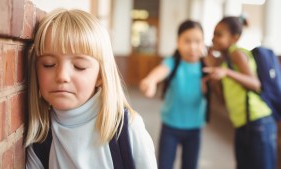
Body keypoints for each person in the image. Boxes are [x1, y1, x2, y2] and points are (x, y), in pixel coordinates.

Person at [24, 8, 157, 169]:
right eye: (48, 64)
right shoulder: (40, 140)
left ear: (100, 75)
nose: (62, 76)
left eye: (79, 66)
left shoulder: (127, 130)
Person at [204, 16, 277, 169]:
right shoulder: (223, 61)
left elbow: (255, 84)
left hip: (258, 122)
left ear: (234, 38)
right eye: (213, 34)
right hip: (241, 124)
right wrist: (214, 78)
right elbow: (223, 100)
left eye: (219, 34)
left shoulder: (236, 53)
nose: (213, 38)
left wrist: (226, 72)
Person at [140, 20, 207, 169]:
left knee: (190, 165)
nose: (193, 46)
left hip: (195, 128)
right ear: (178, 42)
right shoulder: (172, 62)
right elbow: (160, 71)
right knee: (164, 164)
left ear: (203, 43)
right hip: (170, 126)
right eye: (187, 41)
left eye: (198, 41)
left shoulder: (205, 67)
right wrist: (150, 81)